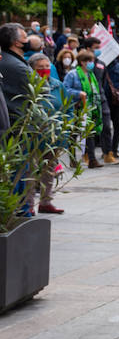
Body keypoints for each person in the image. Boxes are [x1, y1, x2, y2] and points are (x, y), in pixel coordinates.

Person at [25, 53, 82, 215]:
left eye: (46, 67)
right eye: (40, 68)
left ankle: (46, 201)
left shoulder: (57, 85)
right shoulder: (28, 85)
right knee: (30, 171)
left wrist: (66, 125)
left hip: (54, 136)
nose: (44, 70)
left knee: (49, 170)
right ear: (32, 69)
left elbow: (68, 107)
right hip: (33, 136)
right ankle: (27, 205)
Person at [62, 50, 105, 169]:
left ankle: (92, 159)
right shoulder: (73, 74)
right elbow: (65, 89)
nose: (91, 63)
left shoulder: (91, 75)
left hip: (90, 108)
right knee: (74, 134)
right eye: (89, 61)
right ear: (82, 62)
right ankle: (72, 158)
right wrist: (78, 93)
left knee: (89, 133)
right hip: (77, 107)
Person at [0, 23, 33, 125]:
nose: (28, 41)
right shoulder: (18, 67)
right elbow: (42, 89)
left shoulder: (7, 59)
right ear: (17, 43)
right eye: (25, 38)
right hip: (18, 123)